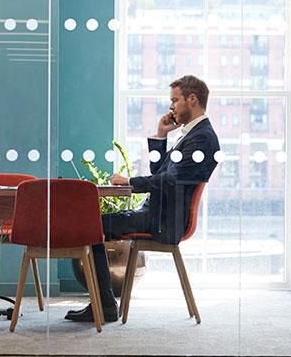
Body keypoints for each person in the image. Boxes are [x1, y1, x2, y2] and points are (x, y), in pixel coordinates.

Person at [66, 75, 221, 323]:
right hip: (158, 214)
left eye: (175, 100)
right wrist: (161, 135)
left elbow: (169, 182)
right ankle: (103, 304)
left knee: (91, 226)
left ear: (192, 99)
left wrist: (129, 182)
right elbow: (162, 175)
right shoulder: (193, 134)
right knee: (92, 224)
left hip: (163, 220)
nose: (171, 107)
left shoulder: (201, 137)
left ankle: (104, 306)